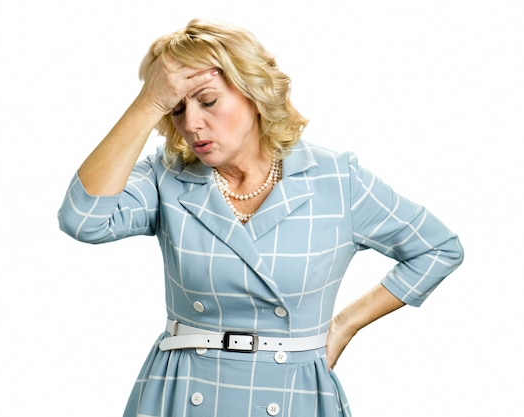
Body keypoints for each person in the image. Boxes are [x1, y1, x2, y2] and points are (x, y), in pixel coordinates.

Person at [58, 18, 464, 417]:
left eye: (209, 100)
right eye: (177, 108)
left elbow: (437, 248)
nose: (192, 124)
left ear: (253, 92)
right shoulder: (166, 177)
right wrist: (147, 104)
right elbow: (84, 218)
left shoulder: (336, 180)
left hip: (292, 392)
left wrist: (345, 324)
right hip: (184, 391)